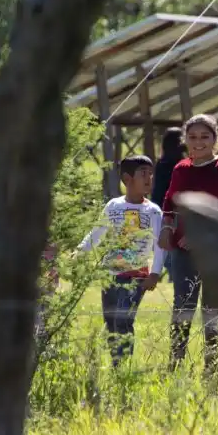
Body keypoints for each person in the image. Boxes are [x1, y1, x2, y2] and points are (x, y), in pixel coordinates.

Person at [159, 114, 218, 376]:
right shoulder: (180, 169)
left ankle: (212, 366)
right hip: (183, 251)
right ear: (185, 140)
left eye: (205, 137)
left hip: (216, 250)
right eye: (192, 137)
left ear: (215, 140)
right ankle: (175, 362)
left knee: (212, 308)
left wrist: (199, 237)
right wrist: (166, 227)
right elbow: (170, 201)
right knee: (182, 306)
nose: (198, 142)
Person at [78, 155, 165, 367]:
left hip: (136, 277)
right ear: (127, 179)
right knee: (110, 323)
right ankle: (117, 364)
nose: (148, 178)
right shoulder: (113, 206)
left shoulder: (153, 211)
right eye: (142, 174)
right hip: (110, 276)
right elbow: (97, 233)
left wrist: (154, 273)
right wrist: (80, 251)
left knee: (123, 321)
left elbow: (160, 245)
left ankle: (123, 367)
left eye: (150, 174)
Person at [150, 128, 186, 279]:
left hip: (162, 208)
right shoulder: (182, 164)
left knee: (164, 244)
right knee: (176, 244)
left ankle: (172, 272)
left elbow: (158, 190)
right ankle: (176, 273)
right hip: (179, 209)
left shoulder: (161, 164)